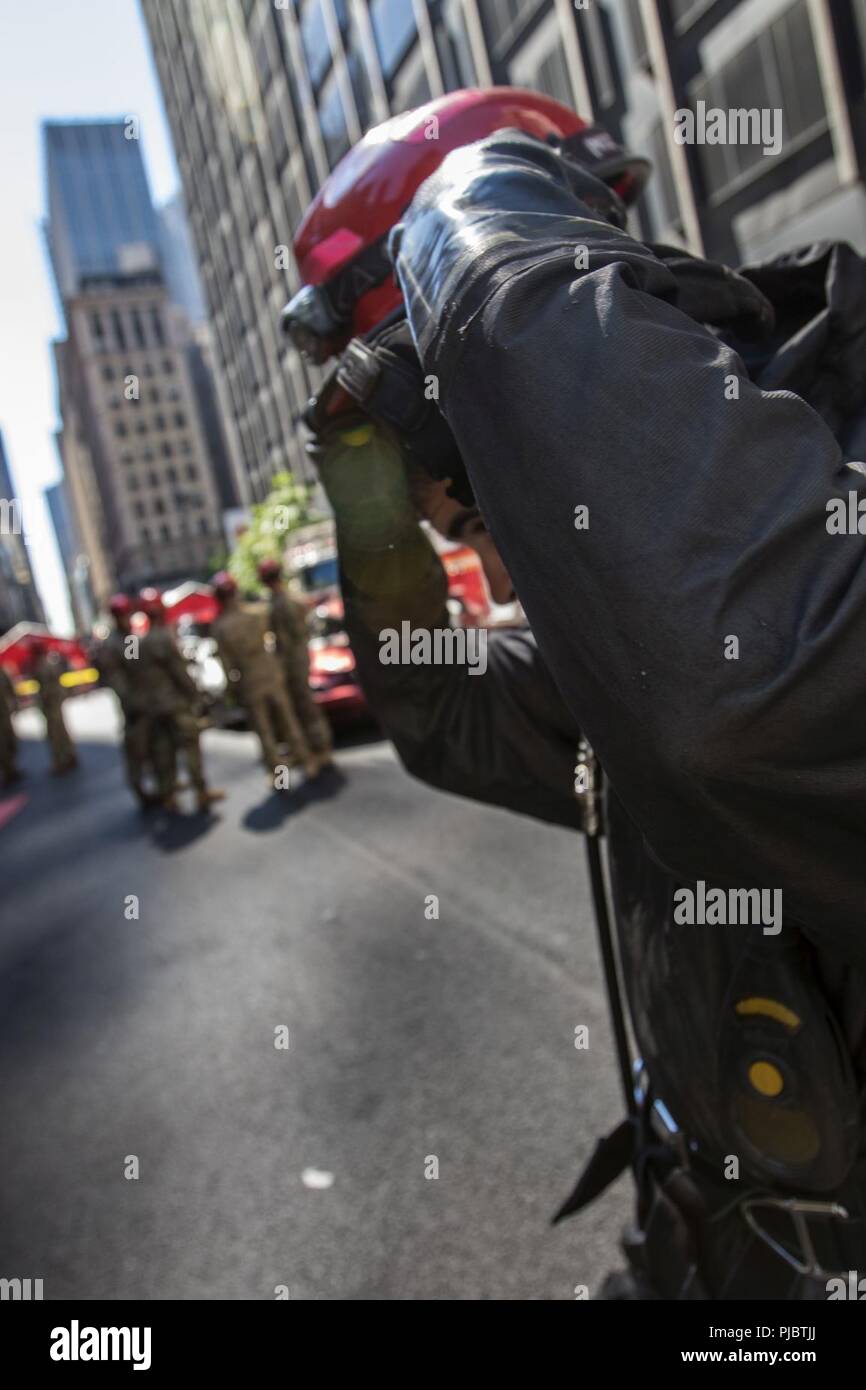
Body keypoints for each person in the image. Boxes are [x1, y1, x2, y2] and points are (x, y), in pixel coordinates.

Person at [282, 88, 866, 1298]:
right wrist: (371, 496)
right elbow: (442, 716)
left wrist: (470, 231)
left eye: (500, 517)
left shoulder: (822, 510)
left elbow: (748, 699)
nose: (495, 577)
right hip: (727, 1245)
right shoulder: (608, 637)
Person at [210, 571, 321, 783]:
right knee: (288, 720)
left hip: (249, 680)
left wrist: (232, 689)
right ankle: (308, 762)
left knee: (265, 732)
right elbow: (283, 632)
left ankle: (280, 776)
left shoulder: (220, 627)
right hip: (271, 672)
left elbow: (227, 664)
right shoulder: (258, 613)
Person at [137, 588, 224, 814]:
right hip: (175, 704)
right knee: (190, 746)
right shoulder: (165, 638)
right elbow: (179, 673)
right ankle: (201, 792)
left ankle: (168, 796)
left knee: (164, 751)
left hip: (155, 707)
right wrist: (195, 696)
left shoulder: (140, 644)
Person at [256, 558, 334, 769]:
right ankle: (312, 750)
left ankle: (320, 750)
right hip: (294, 658)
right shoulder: (287, 599)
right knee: (300, 704)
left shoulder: (282, 602)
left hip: (294, 659)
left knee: (304, 704)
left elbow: (293, 634)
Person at [93, 593, 155, 808]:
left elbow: (137, 667)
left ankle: (161, 786)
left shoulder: (129, 638)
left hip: (143, 702)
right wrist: (133, 701)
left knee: (153, 745)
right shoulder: (112, 643)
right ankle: (140, 789)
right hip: (133, 707)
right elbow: (118, 678)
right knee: (136, 748)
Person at [31, 639, 78, 776]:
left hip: (51, 703)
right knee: (61, 730)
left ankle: (62, 760)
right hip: (55, 701)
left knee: (55, 733)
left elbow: (46, 688)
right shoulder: (49, 663)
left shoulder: (41, 666)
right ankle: (69, 756)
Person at [0, 662, 21, 787]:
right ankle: (7, 771)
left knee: (10, 740)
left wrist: (15, 704)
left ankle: (12, 768)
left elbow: (10, 688)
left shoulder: (2, 672)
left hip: (4, 715)